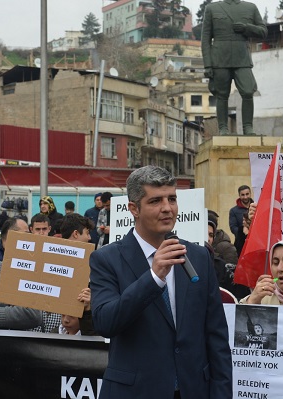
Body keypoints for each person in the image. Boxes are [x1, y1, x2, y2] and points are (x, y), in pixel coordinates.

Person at [90, 165, 232, 398]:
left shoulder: (198, 256)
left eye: (172, 199)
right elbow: (106, 322)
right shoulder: (107, 259)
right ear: (134, 208)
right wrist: (154, 277)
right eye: (155, 201)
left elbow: (216, 337)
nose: (167, 208)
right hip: (136, 392)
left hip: (193, 389)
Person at [201, 0, 267, 135]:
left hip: (242, 57)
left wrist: (246, 28)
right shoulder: (212, 8)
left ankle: (248, 127)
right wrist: (208, 64)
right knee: (222, 95)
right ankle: (223, 127)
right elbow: (205, 39)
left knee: (248, 91)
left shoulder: (250, 7)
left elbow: (263, 31)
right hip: (220, 58)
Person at [229, 185, 254, 256]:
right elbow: (233, 227)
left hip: (255, 241)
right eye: (243, 195)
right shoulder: (233, 211)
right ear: (239, 195)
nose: (245, 197)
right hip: (241, 244)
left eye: (247, 194)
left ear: (250, 194)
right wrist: (244, 233)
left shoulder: (256, 207)